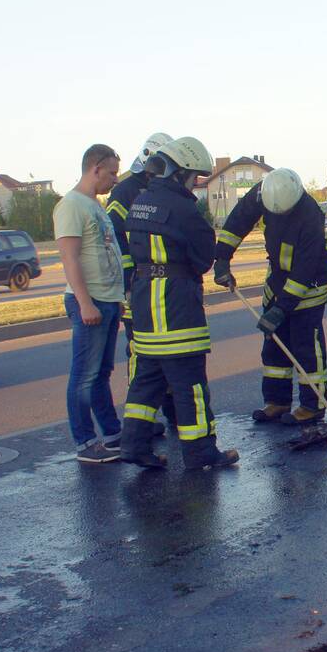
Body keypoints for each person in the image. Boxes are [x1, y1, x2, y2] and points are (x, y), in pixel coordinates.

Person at [119, 136, 239, 470]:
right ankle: (200, 453)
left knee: (146, 381)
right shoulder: (185, 210)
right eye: (193, 177)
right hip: (177, 307)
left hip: (144, 305)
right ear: (179, 173)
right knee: (190, 386)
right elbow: (202, 260)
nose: (195, 184)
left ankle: (133, 445)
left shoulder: (138, 202)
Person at [213, 168, 327, 425]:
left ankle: (313, 405)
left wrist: (281, 310)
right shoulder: (263, 193)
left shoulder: (310, 216)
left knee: (305, 345)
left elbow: (303, 270)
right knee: (274, 342)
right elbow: (237, 222)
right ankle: (277, 402)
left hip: (309, 284)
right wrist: (222, 257)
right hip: (277, 277)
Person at [53, 144, 125, 463]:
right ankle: (85, 443)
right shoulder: (71, 205)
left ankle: (112, 434)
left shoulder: (96, 206)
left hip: (107, 300)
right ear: (95, 168)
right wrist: (85, 303)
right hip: (90, 301)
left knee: (101, 373)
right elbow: (69, 258)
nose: (114, 179)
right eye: (111, 172)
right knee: (84, 375)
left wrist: (116, 299)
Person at [106, 132, 176, 437]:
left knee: (172, 346)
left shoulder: (160, 187)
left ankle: (176, 412)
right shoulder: (125, 192)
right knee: (141, 352)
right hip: (135, 286)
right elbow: (114, 240)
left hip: (163, 285)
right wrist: (130, 280)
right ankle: (141, 424)